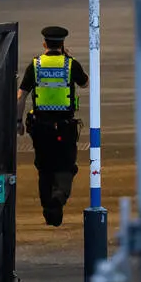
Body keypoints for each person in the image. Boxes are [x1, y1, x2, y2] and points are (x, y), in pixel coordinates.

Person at [19, 26, 89, 227]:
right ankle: (58, 197)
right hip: (65, 128)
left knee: (44, 168)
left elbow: (21, 95)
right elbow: (85, 83)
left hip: (40, 128)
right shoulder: (70, 65)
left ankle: (49, 208)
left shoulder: (35, 65)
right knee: (66, 166)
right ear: (63, 44)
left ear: (44, 44)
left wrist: (17, 122)